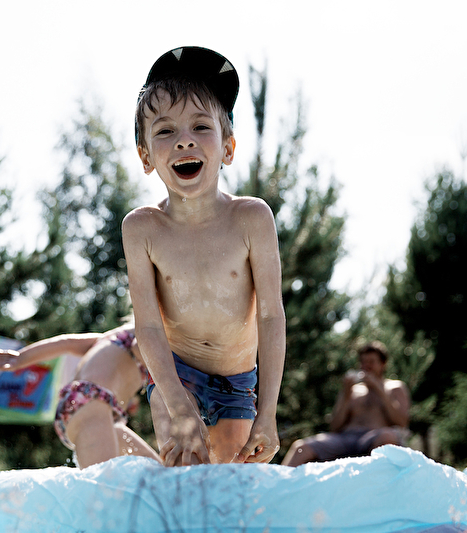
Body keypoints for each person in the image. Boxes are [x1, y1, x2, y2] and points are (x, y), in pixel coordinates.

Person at [122, 46, 286, 467]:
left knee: (233, 488)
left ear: (228, 148)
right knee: (186, 473)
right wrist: (177, 404)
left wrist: (267, 414)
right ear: (145, 156)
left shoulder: (251, 219)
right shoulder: (142, 229)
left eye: (200, 126)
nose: (184, 139)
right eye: (165, 131)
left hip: (237, 381)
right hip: (176, 375)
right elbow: (148, 326)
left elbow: (271, 316)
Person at [0, 323, 160, 469]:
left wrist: (19, 358)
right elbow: (138, 347)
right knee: (105, 490)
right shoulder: (148, 330)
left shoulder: (112, 336)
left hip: (87, 409)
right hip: (92, 403)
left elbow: (66, 343)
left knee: (159, 473)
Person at [282, 341, 410, 466]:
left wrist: (380, 390)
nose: (366, 366)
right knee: (301, 447)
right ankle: (278, 479)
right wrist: (346, 395)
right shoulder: (352, 390)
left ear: (383, 364)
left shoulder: (395, 387)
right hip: (345, 438)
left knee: (388, 437)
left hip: (375, 436)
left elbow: (402, 422)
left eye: (371, 362)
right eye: (363, 362)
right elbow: (335, 427)